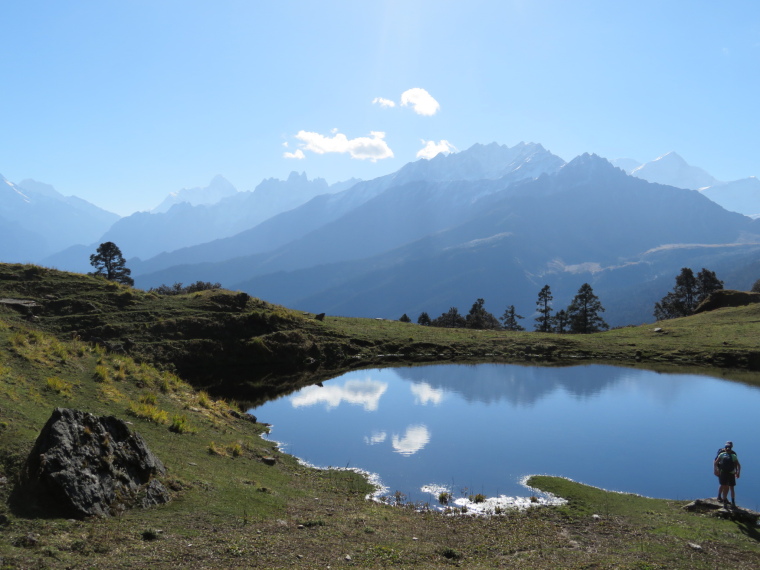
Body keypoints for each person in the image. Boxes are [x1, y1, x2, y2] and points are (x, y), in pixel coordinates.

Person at [714, 441, 741, 506]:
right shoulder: (733, 454)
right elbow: (737, 464)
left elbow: (715, 462)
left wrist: (716, 470)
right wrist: (737, 472)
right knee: (729, 487)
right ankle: (730, 501)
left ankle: (720, 497)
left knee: (723, 485)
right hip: (730, 472)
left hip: (722, 471)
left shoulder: (721, 453)